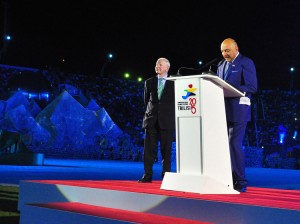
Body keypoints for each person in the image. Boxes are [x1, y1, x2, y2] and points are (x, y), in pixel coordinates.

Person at [217, 38, 258, 192]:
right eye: (222, 51)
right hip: (222, 110)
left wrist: (230, 88)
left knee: (234, 143)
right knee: (224, 145)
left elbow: (252, 87)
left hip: (239, 110)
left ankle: (241, 180)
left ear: (236, 48)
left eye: (227, 50)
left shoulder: (246, 62)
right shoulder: (221, 65)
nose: (224, 54)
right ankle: (228, 178)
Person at [138, 57, 175, 183]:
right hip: (151, 120)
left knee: (166, 150)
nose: (157, 66)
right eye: (156, 64)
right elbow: (146, 101)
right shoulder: (149, 82)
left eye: (160, 64)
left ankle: (166, 176)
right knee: (148, 150)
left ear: (167, 68)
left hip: (167, 121)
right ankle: (147, 175)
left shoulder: (174, 82)